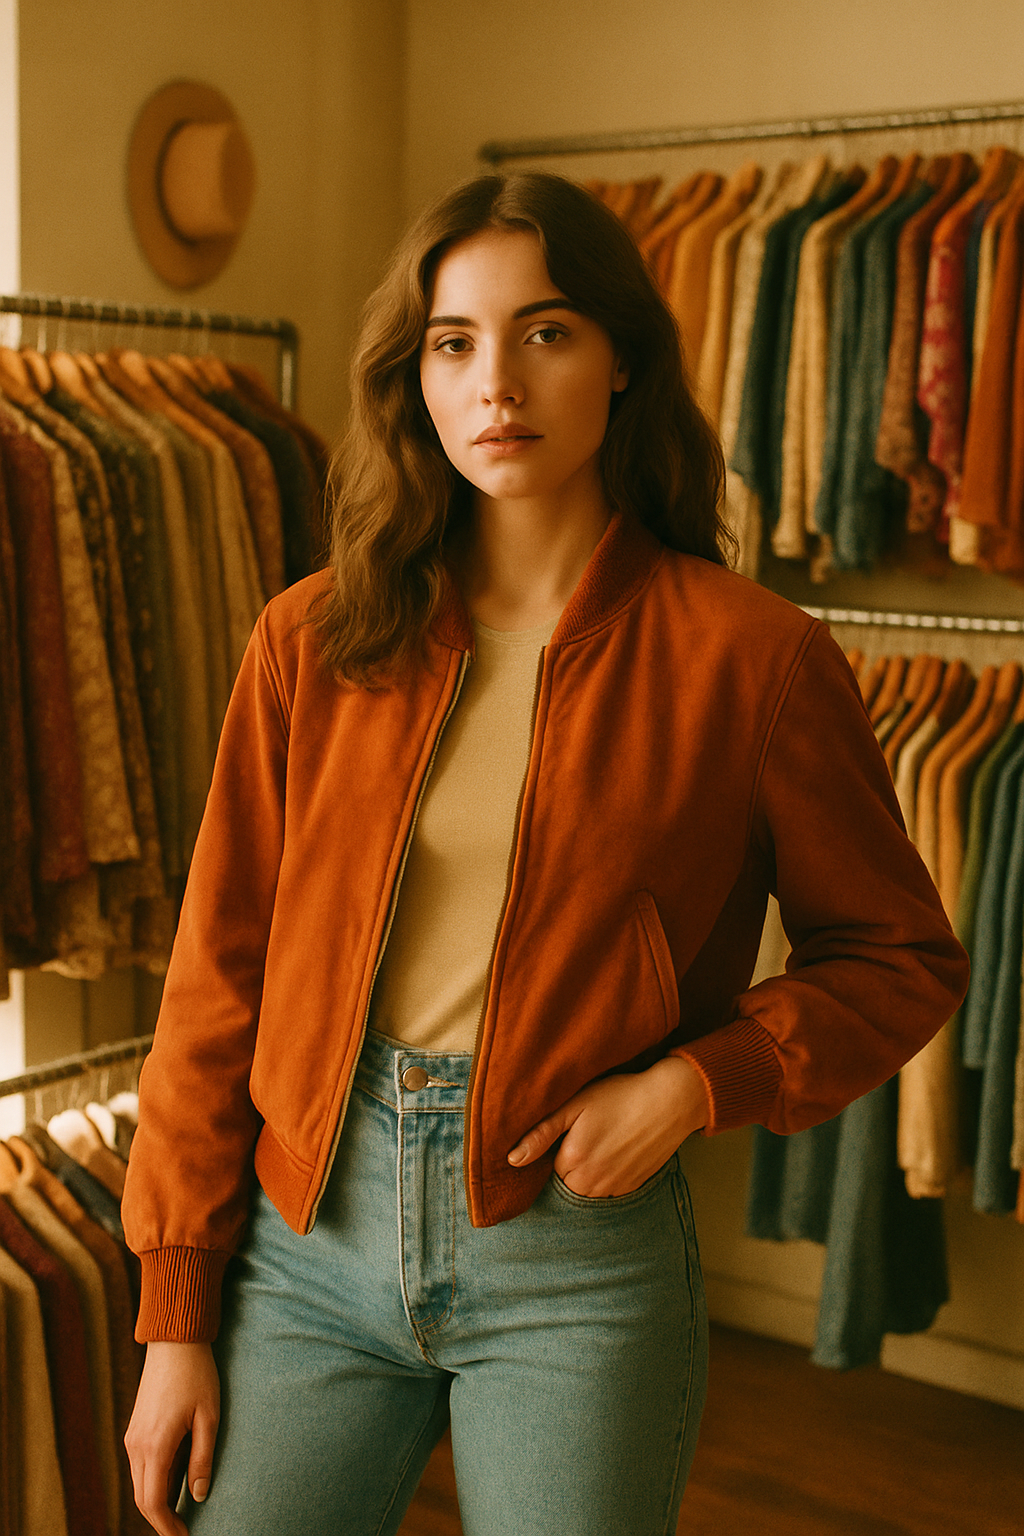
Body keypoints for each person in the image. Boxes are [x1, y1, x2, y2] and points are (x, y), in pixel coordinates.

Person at [122, 171, 968, 1536]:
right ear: (416, 375)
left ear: (623, 358)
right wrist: (174, 1312)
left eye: (546, 332)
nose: (495, 381)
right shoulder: (315, 640)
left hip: (575, 1256)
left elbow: (902, 956)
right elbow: (218, 977)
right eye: (455, 342)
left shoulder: (749, 658)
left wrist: (697, 1084)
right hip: (307, 1241)